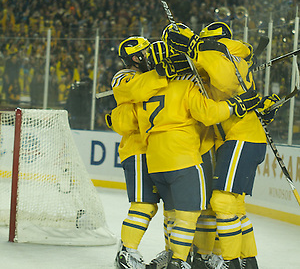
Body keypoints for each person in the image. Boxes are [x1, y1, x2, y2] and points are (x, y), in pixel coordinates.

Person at [134, 40, 261, 269]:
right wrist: (236, 105)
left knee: (171, 213)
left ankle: (181, 255)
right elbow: (209, 114)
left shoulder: (144, 88)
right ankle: (181, 261)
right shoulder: (188, 85)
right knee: (192, 214)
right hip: (185, 154)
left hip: (155, 157)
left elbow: (132, 123)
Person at [163, 21, 281, 269]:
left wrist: (196, 47)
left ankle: (231, 262)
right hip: (236, 137)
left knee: (222, 202)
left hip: (242, 136)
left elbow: (226, 81)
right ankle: (247, 261)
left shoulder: (227, 56)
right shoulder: (226, 60)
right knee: (235, 205)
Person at [106, 36, 170, 269]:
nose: (153, 55)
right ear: (136, 57)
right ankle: (127, 251)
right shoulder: (124, 76)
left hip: (161, 149)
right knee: (144, 204)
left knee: (174, 207)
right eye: (148, 52)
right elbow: (139, 91)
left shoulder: (154, 75)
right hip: (138, 150)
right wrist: (163, 74)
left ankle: (172, 253)